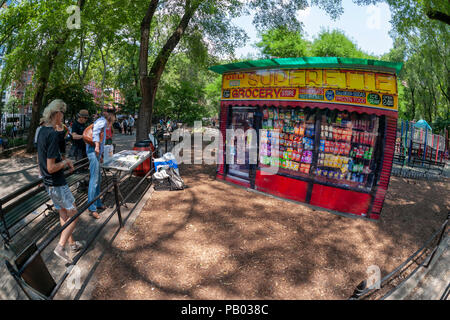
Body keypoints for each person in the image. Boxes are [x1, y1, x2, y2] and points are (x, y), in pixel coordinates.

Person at [37, 99, 83, 263]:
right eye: (62, 113)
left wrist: (64, 161)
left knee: (63, 213)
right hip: (56, 183)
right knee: (74, 215)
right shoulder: (51, 135)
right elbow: (51, 167)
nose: (63, 117)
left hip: (49, 184)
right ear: (57, 113)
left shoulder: (42, 131)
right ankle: (60, 247)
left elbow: (40, 159)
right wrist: (64, 163)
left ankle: (71, 244)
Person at [86, 107, 116, 219]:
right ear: (111, 118)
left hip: (96, 154)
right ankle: (91, 207)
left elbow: (100, 137)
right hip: (93, 152)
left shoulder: (102, 121)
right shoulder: (102, 121)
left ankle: (97, 203)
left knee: (98, 180)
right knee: (94, 180)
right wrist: (97, 147)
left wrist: (101, 154)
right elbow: (95, 133)